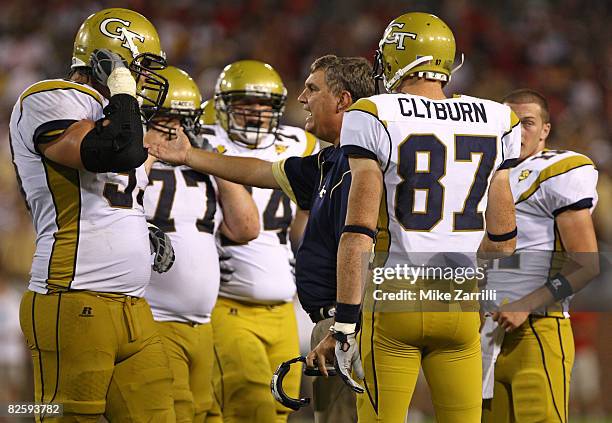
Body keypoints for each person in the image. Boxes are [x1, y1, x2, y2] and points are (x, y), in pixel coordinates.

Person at [145, 55, 375, 422]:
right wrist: (191, 153)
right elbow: (262, 173)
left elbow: (357, 240)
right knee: (261, 408)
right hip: (266, 304)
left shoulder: (360, 160)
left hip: (354, 316)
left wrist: (345, 322)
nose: (302, 99)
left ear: (343, 100)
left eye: (312, 89)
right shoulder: (325, 159)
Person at [330, 12, 521, 423]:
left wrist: (345, 322)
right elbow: (505, 239)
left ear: (398, 58)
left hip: (395, 296)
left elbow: (358, 230)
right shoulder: (498, 118)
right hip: (459, 300)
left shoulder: (374, 111)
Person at [9, 8, 176, 421]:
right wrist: (121, 93)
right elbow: (113, 152)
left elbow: (109, 191)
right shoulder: (50, 97)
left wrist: (139, 230)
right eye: (138, 69)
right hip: (72, 297)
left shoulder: (114, 117)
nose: (143, 82)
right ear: (108, 62)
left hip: (134, 307)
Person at [141, 66, 260, 422]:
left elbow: (246, 227)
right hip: (154, 319)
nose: (172, 128)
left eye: (180, 118)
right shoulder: (130, 164)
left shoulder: (202, 164)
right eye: (163, 118)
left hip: (203, 324)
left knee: (207, 414)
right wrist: (145, 149)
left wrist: (208, 160)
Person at [482, 89, 599, 423]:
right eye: (511, 124)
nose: (519, 132)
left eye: (528, 123)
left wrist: (526, 304)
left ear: (545, 130)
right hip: (486, 335)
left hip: (536, 327)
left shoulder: (558, 169)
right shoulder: (488, 173)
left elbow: (587, 264)